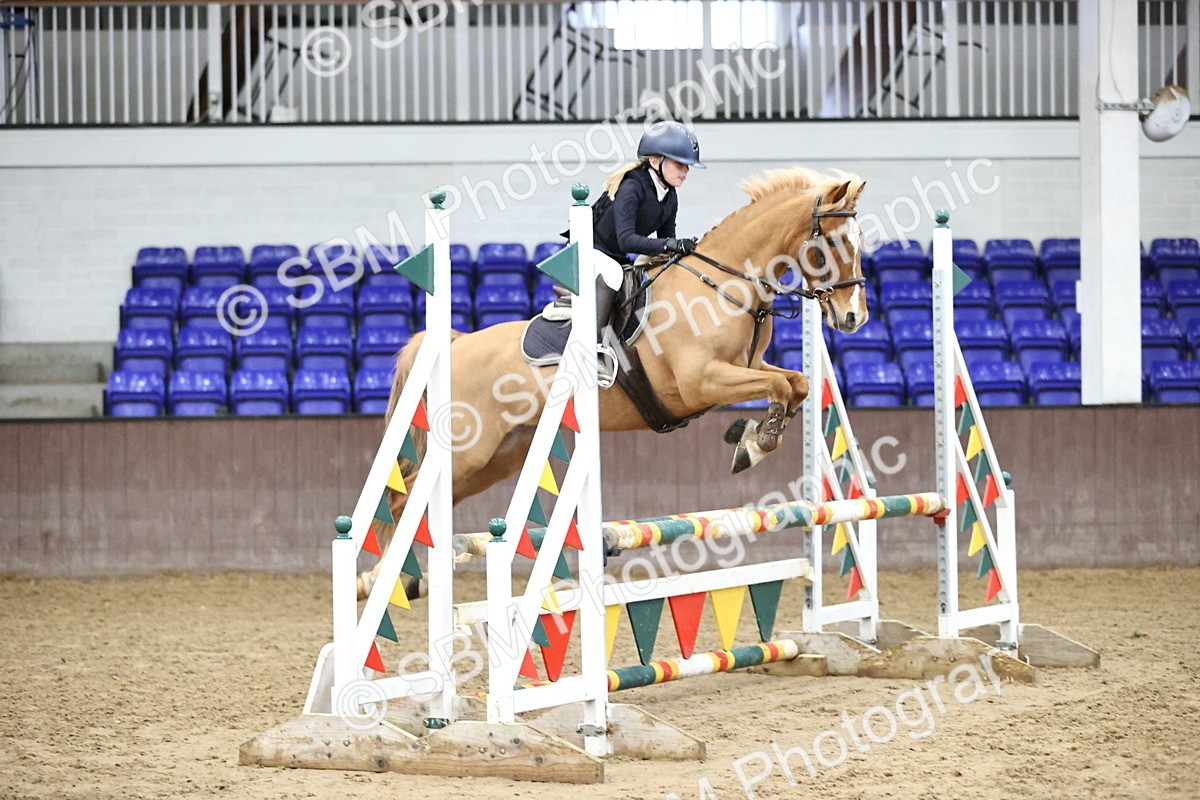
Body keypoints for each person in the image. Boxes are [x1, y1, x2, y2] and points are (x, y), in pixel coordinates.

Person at [546, 120, 704, 336]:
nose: (685, 171)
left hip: (615, 256)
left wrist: (680, 249)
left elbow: (666, 240)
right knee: (612, 274)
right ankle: (592, 343)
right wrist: (669, 244)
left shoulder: (670, 195)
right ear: (656, 160)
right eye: (680, 164)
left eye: (687, 166)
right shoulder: (631, 186)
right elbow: (627, 240)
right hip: (585, 252)